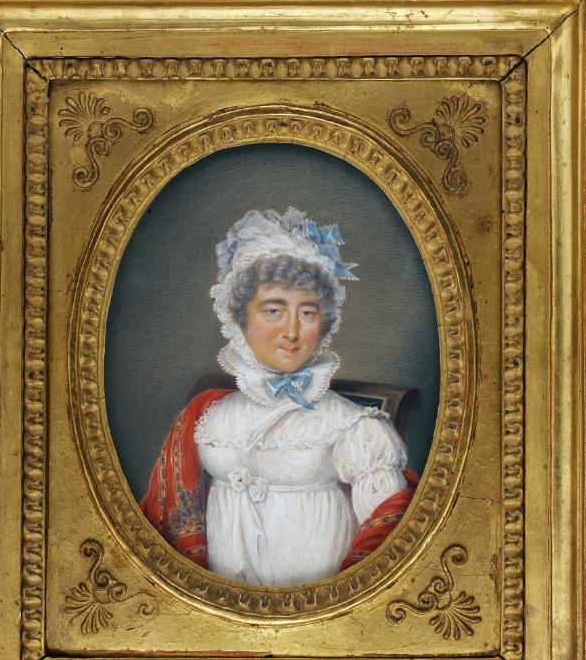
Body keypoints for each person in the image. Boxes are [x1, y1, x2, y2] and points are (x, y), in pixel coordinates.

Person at [140, 207, 418, 587]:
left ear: (324, 323)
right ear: (240, 319)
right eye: (274, 310)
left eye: (308, 313)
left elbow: (387, 540)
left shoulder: (355, 427)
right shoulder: (209, 416)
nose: (292, 331)